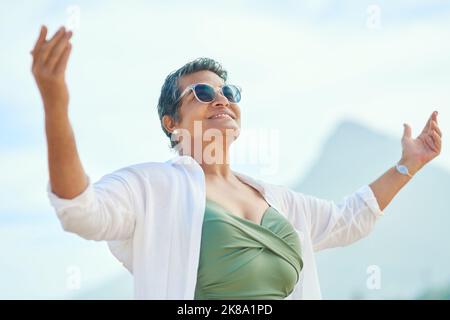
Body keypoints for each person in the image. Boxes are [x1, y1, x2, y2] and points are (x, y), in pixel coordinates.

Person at [31, 25, 443, 299]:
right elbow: (79, 210)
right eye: (203, 94)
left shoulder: (280, 201)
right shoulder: (151, 187)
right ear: (171, 123)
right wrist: (55, 103)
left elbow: (350, 218)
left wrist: (409, 164)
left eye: (228, 91)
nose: (222, 99)